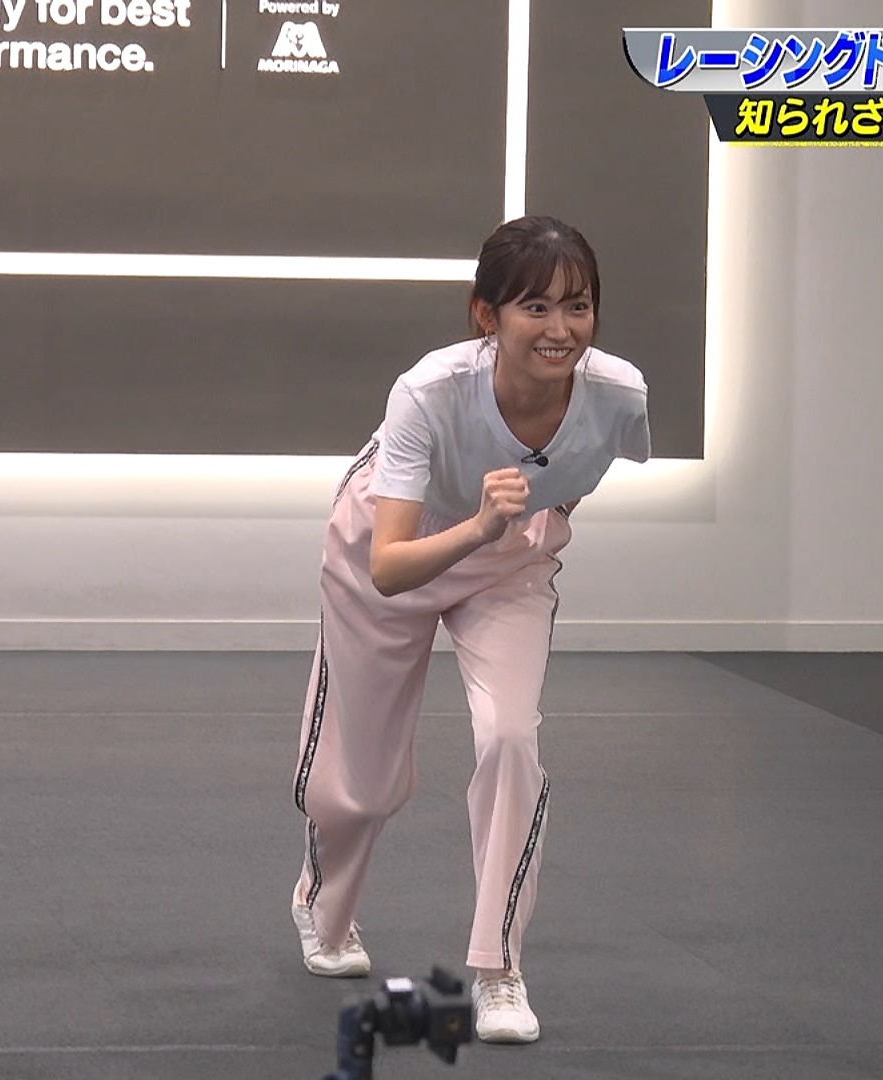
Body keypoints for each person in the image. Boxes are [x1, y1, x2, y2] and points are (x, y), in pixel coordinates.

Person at [288, 215, 651, 1045]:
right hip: (393, 544)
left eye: (578, 306)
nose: (560, 329)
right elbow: (389, 565)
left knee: (510, 739)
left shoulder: (621, 395)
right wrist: (482, 525)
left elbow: (580, 469)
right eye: (535, 307)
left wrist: (518, 531)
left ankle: (498, 968)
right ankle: (322, 903)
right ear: (486, 314)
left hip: (507, 560)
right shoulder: (428, 391)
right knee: (362, 779)